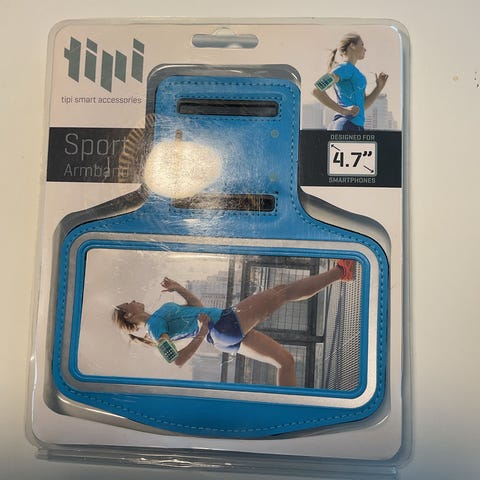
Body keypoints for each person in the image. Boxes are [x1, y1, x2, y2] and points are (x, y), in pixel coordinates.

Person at [113, 259, 355, 387]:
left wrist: (179, 288)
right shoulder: (154, 326)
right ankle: (341, 271)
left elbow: (197, 306)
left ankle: (289, 410)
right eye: (128, 304)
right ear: (130, 316)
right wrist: (202, 332)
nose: (133, 301)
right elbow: (176, 360)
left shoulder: (158, 318)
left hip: (221, 338)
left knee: (285, 362)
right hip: (221, 325)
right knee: (282, 292)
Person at [315, 33, 388, 131]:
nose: (365, 49)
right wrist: (342, 110)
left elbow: (363, 106)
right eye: (362, 45)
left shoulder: (357, 74)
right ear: (352, 46)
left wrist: (378, 88)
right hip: (346, 124)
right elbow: (316, 90)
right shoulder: (344, 68)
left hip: (356, 126)